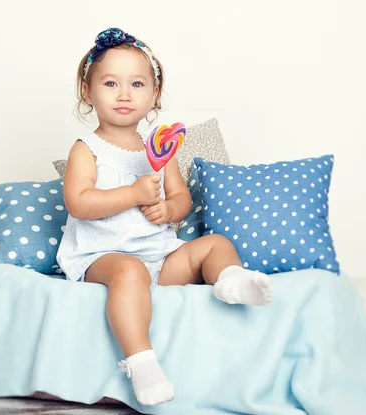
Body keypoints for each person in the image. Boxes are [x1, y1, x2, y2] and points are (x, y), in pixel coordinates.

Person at [56, 27, 273, 406]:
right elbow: (79, 202)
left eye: (137, 83)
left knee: (215, 244)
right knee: (129, 271)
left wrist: (168, 209)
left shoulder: (158, 149)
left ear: (154, 94)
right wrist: (132, 194)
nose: (124, 94)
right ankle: (142, 363)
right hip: (103, 256)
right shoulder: (85, 150)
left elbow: (181, 198)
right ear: (88, 93)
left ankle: (230, 279)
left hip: (159, 255)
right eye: (110, 83)